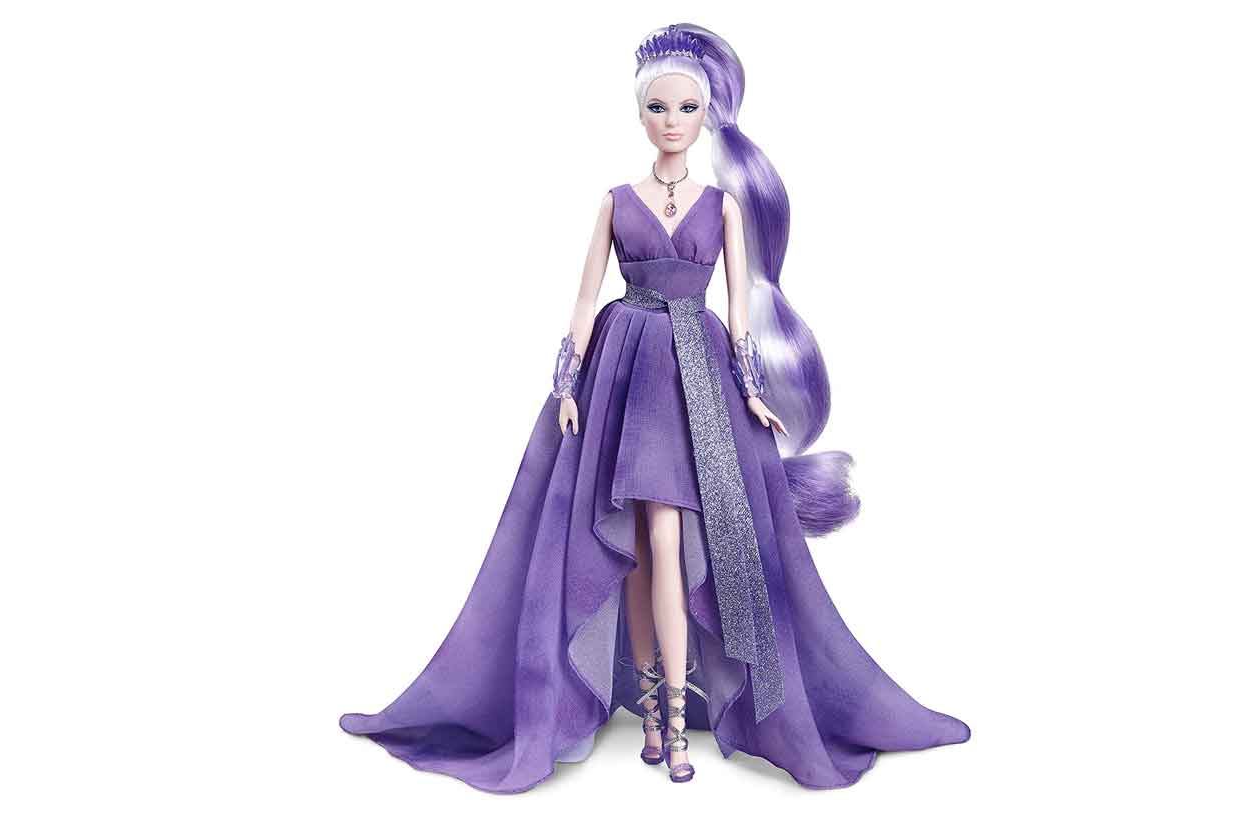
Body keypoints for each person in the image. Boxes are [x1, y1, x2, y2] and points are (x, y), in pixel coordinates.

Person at [339, 22, 969, 793]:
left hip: (697, 381)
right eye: (659, 108)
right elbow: (583, 301)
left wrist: (753, 391)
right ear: (641, 115)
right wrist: (566, 382)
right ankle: (651, 714)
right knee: (635, 546)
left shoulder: (724, 206)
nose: (673, 121)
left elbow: (740, 313)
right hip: (624, 374)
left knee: (667, 539)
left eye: (687, 108)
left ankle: (671, 720)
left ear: (706, 117)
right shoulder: (614, 202)